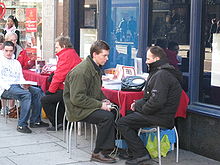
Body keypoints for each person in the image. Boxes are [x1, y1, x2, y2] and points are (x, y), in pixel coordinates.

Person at [117, 46, 183, 165]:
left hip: (161, 116)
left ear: (156, 59)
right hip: (159, 113)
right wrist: (136, 104)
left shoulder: (162, 74)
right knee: (127, 114)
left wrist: (140, 109)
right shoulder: (160, 72)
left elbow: (157, 102)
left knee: (122, 122)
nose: (146, 62)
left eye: (148, 59)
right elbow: (149, 98)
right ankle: (134, 151)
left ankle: (142, 155)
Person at [63, 40, 116, 164]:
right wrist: (100, 105)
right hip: (76, 109)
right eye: (104, 55)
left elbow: (95, 91)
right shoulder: (81, 71)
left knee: (114, 110)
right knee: (107, 117)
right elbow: (77, 99)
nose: (107, 58)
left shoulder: (94, 67)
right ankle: (98, 152)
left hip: (84, 105)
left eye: (107, 55)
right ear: (94, 54)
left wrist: (104, 99)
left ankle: (109, 148)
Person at [0, 41, 49, 133]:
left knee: (38, 91)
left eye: (10, 51)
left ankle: (35, 121)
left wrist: (24, 84)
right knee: (26, 94)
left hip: (18, 85)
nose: (8, 53)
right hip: (5, 88)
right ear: (3, 50)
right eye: (6, 51)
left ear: (14, 50)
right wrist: (9, 87)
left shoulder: (16, 63)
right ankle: (22, 125)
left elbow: (20, 78)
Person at [41, 36, 81, 131]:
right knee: (58, 98)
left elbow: (59, 75)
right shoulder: (71, 53)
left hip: (70, 89)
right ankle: (64, 121)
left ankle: (57, 123)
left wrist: (50, 91)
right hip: (72, 87)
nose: (55, 50)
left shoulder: (65, 55)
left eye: (57, 47)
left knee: (45, 99)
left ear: (63, 46)